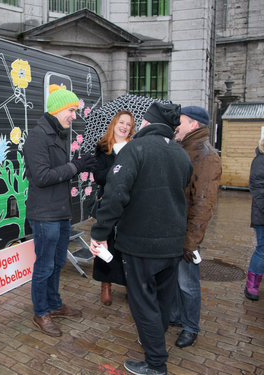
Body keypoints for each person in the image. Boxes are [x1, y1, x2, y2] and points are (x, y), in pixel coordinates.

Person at [89, 102, 193, 375]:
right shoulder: (181, 154)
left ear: (147, 123)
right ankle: (154, 347)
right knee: (161, 301)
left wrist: (99, 234)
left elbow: (115, 195)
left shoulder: (136, 149)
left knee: (144, 304)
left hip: (141, 244)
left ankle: (156, 363)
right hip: (172, 245)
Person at [23, 84, 96, 337]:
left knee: (57, 262)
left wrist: (78, 164)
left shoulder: (58, 134)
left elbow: (60, 171)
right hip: (44, 215)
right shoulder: (37, 137)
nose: (75, 116)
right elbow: (42, 177)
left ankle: (54, 304)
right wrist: (75, 166)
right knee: (44, 266)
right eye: (72, 110)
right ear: (58, 110)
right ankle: (41, 312)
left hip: (61, 212)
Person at [170, 106, 222, 348]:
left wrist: (191, 242)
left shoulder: (206, 155)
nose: (176, 125)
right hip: (175, 229)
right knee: (176, 280)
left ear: (194, 124)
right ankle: (178, 316)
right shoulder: (183, 148)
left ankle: (191, 327)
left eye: (180, 122)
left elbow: (203, 204)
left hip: (187, 233)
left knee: (188, 283)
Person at [93, 110, 135, 305]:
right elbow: (99, 177)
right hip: (108, 202)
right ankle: (106, 284)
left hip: (129, 204)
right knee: (105, 242)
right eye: (122, 122)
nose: (125, 127)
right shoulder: (103, 148)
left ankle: (129, 283)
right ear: (114, 124)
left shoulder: (135, 148)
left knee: (127, 246)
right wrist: (118, 167)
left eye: (128, 124)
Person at [245, 138, 264, 300]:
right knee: (262, 249)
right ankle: (252, 285)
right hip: (262, 214)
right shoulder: (260, 161)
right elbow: (258, 188)